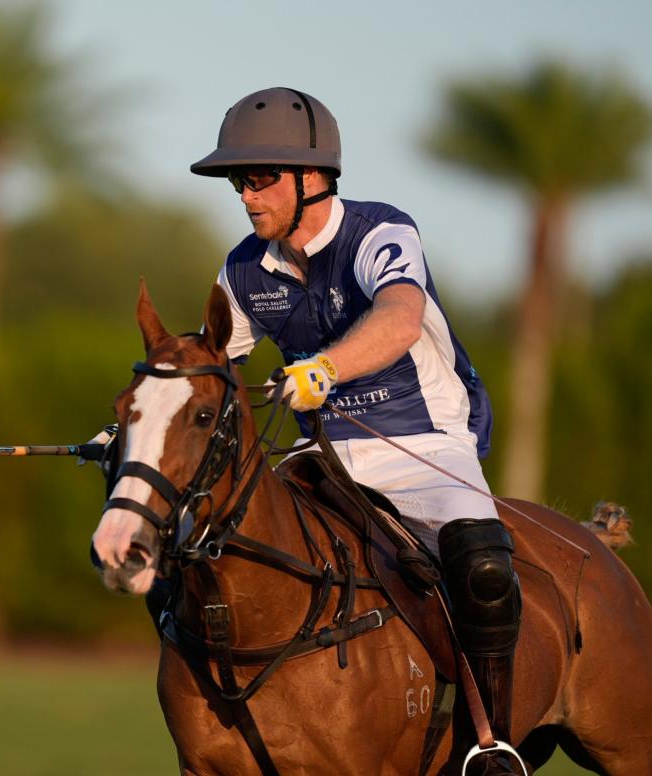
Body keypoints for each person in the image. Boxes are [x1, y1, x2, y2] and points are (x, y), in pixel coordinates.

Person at [190, 87, 523, 775]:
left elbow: (400, 316)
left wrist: (324, 367)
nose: (246, 196)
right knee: (215, 542)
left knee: (483, 569)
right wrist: (141, 435)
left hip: (423, 445)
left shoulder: (378, 232)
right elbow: (205, 367)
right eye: (238, 183)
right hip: (322, 459)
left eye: (259, 179)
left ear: (312, 180)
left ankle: (492, 745)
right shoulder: (243, 269)